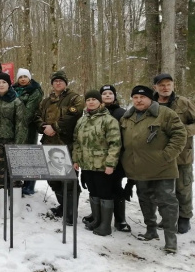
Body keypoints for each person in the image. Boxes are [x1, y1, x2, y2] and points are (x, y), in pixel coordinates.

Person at [120, 85, 186, 254]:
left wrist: (166, 156)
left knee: (167, 202)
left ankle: (171, 239)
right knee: (145, 200)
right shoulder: (128, 117)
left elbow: (180, 134)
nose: (138, 100)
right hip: (138, 169)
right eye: (135, 97)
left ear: (151, 99)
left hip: (162, 169)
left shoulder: (165, 114)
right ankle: (151, 230)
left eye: (142, 97)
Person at [35, 70, 84, 225]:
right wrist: (43, 127)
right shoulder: (46, 101)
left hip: (66, 144)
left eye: (61, 81)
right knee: (54, 180)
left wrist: (55, 126)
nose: (58, 83)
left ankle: (71, 214)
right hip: (49, 144)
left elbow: (73, 116)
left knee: (69, 181)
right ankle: (63, 206)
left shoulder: (74, 98)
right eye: (55, 81)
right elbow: (36, 116)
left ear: (66, 83)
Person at [72, 90, 122, 236]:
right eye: (88, 100)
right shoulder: (82, 120)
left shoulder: (109, 120)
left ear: (100, 101)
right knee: (93, 192)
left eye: (94, 99)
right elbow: (76, 141)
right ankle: (97, 220)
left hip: (102, 165)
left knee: (105, 193)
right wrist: (76, 159)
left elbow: (115, 143)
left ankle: (105, 225)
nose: (91, 102)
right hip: (87, 164)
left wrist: (110, 164)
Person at [153, 73, 195, 234]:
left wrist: (183, 131)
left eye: (168, 84)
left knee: (183, 187)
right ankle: (168, 217)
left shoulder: (183, 102)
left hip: (182, 154)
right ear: (155, 87)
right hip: (160, 155)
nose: (165, 88)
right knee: (163, 189)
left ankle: (184, 217)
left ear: (173, 85)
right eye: (161, 85)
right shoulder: (152, 104)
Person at [85, 84, 129, 232]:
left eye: (111, 93)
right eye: (105, 93)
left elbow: (122, 138)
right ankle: (100, 217)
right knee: (100, 188)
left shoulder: (121, 113)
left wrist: (115, 159)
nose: (108, 95)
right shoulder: (90, 115)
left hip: (116, 157)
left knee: (115, 187)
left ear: (115, 96)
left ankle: (120, 219)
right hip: (97, 160)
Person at [0, 73, 27, 191]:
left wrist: (18, 145)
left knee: (15, 177)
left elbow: (21, 125)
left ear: (9, 84)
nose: (1, 85)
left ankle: (15, 205)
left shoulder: (16, 102)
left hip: (11, 142)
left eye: (4, 82)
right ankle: (2, 203)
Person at [12, 68, 44, 195]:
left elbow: (29, 110)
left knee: (30, 154)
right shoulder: (13, 90)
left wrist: (16, 118)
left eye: (25, 76)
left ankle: (30, 184)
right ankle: (17, 181)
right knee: (17, 153)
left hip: (29, 126)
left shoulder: (35, 91)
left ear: (29, 78)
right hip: (14, 127)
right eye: (20, 77)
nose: (23, 79)